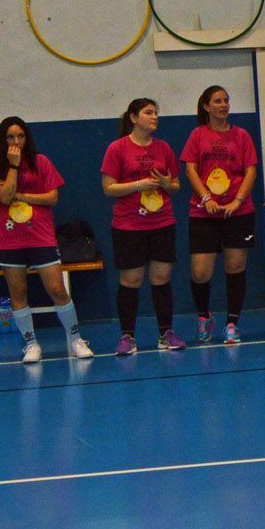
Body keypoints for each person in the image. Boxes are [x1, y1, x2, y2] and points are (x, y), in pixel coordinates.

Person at [0, 117, 92, 362]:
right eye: (10, 137)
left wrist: (23, 196)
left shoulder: (41, 162)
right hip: (9, 240)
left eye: (20, 136)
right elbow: (4, 197)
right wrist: (13, 167)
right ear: (4, 141)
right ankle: (31, 344)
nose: (16, 141)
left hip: (40, 236)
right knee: (18, 291)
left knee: (56, 288)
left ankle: (76, 338)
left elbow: (51, 197)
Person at [100, 98, 185, 356]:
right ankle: (127, 336)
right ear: (134, 117)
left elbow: (176, 185)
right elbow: (108, 188)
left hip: (162, 222)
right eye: (148, 112)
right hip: (129, 225)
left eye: (156, 112)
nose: (154, 117)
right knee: (131, 280)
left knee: (162, 277)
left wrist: (166, 184)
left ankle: (166, 332)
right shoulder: (117, 149)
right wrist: (139, 185)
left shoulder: (164, 149)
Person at [180, 85, 259, 345]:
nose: (223, 105)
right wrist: (206, 198)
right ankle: (204, 316)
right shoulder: (197, 135)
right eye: (217, 101)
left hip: (238, 212)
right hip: (204, 213)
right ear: (206, 107)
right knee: (200, 272)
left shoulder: (242, 136)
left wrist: (237, 200)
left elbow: (250, 171)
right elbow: (191, 169)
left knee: (235, 267)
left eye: (226, 100)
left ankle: (232, 323)